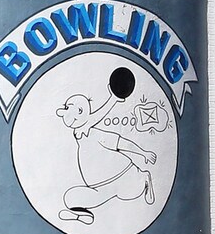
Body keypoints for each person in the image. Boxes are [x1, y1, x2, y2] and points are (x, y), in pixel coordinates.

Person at [55, 86, 156, 225]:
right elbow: (89, 120)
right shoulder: (79, 134)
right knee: (69, 198)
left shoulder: (98, 134)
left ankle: (145, 177)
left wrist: (143, 153)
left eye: (75, 109)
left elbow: (122, 143)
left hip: (123, 174)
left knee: (131, 193)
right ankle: (82, 214)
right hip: (100, 186)